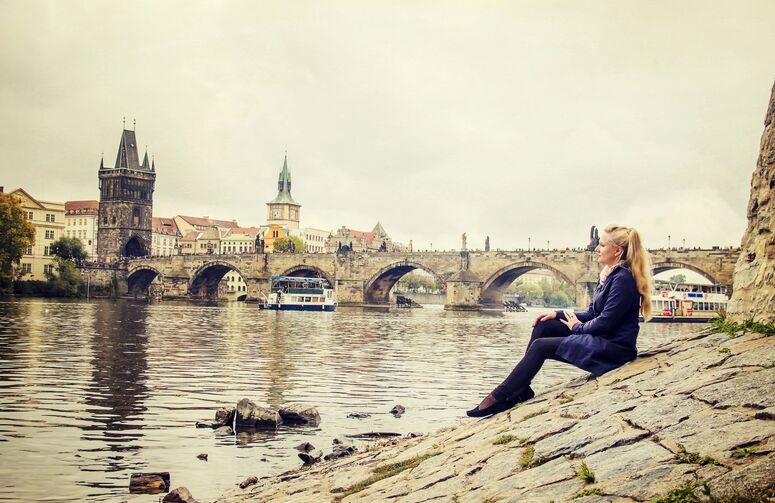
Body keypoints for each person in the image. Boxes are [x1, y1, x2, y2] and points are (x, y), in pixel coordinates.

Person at [466, 225, 653, 417]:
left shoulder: (622, 279)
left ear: (617, 251)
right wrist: (557, 314)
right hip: (603, 338)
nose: (596, 249)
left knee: (540, 347)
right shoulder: (608, 275)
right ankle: (521, 388)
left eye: (602, 245)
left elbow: (605, 323)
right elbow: (591, 313)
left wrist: (577, 327)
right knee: (544, 325)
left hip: (615, 349)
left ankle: (502, 394)